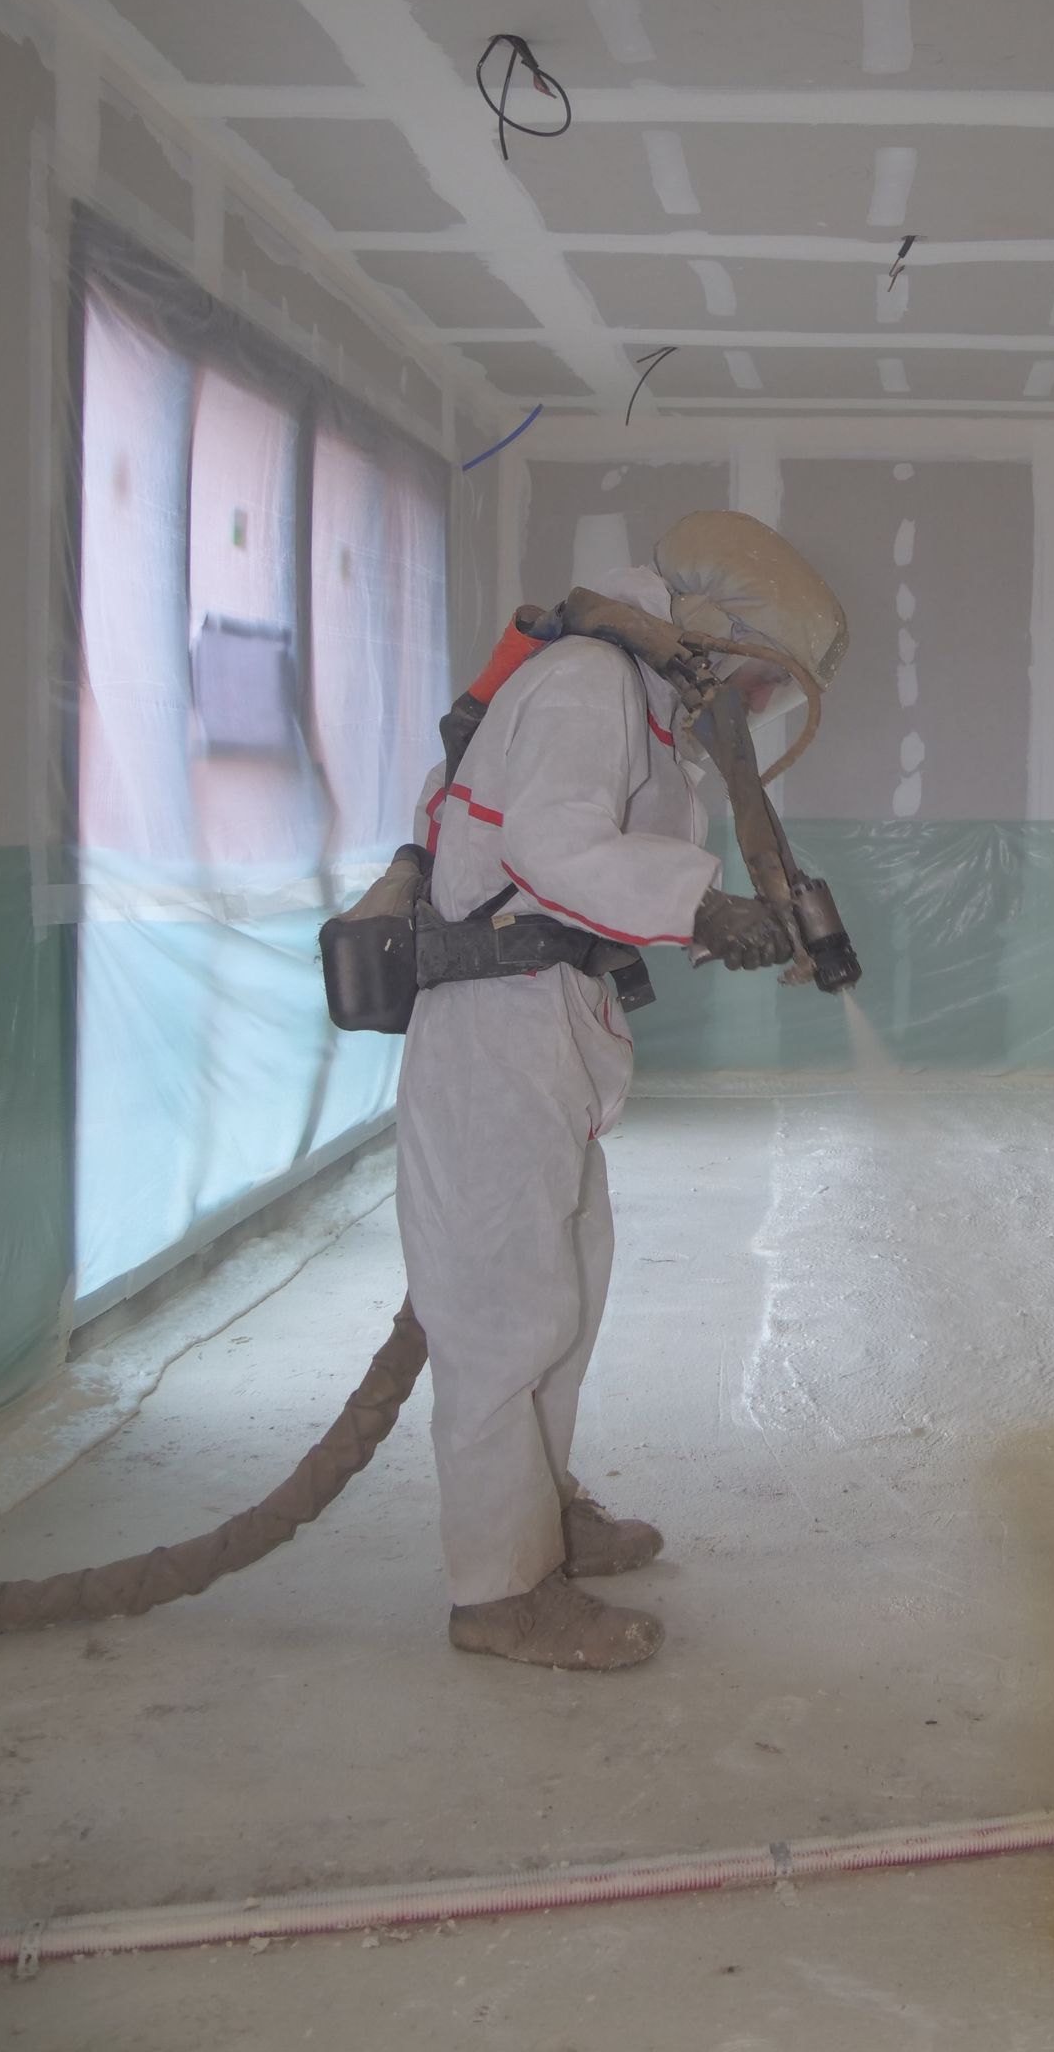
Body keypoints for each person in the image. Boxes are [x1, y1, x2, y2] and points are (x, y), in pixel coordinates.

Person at [394, 512, 847, 1670]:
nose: (749, 705)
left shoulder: (635, 708)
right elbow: (552, 849)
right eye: (752, 677)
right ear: (702, 631)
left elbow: (604, 869)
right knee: (505, 1316)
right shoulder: (589, 680)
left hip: (547, 1019)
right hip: (495, 1026)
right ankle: (500, 1589)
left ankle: (541, 1518)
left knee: (569, 1289)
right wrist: (703, 905)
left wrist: (732, 909)